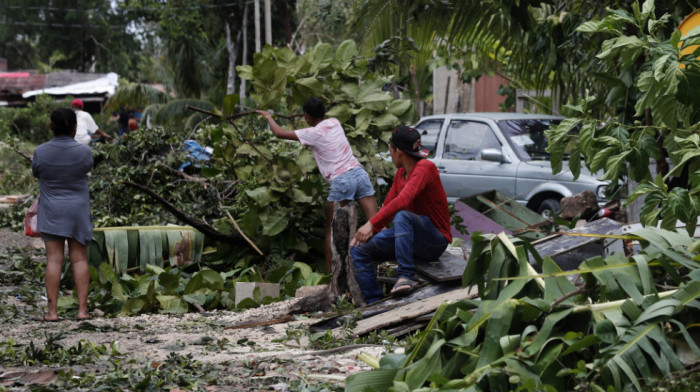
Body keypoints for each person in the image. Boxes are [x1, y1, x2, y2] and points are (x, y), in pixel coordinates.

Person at [256, 97, 378, 271]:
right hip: (360, 174)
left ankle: (329, 277)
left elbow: (279, 133)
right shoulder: (335, 122)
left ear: (307, 116)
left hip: (342, 180)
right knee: (376, 223)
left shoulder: (312, 134)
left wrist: (268, 116)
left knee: (332, 231)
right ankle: (388, 265)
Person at [350, 126, 452, 304]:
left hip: (434, 241)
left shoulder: (425, 168)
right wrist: (371, 231)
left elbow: (403, 200)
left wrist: (371, 224)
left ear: (398, 152)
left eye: (390, 150)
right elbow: (388, 206)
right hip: (411, 239)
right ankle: (374, 302)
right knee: (358, 248)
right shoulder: (400, 174)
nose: (390, 155)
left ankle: (405, 275)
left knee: (402, 216)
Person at [32, 107, 94, 321]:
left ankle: (52, 312)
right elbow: (86, 169)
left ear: (51, 126)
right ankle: (82, 311)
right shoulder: (85, 152)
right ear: (75, 128)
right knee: (79, 260)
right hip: (77, 210)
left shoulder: (40, 152)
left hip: (51, 210)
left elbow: (37, 172)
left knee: (53, 260)